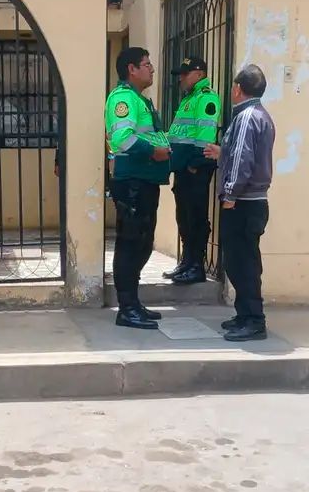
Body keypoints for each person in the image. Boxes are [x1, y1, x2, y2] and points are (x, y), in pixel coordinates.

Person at [203, 64, 275, 342]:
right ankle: (244, 315)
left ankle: (254, 320)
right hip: (252, 201)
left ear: (237, 88)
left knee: (241, 262)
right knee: (243, 261)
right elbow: (245, 155)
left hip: (243, 202)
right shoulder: (261, 115)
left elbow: (243, 162)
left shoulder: (246, 117)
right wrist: (223, 152)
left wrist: (230, 195)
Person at [105, 46, 172, 330]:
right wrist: (153, 152)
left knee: (143, 243)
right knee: (130, 243)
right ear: (131, 69)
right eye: (146, 64)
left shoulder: (139, 99)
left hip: (145, 182)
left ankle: (133, 303)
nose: (151, 69)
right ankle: (126, 308)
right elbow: (122, 138)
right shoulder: (123, 99)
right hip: (131, 183)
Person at [165, 56, 221, 285]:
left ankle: (196, 265)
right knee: (184, 216)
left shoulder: (207, 98)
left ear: (199, 74)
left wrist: (194, 165)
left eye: (184, 74)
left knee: (196, 217)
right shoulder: (190, 99)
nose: (181, 78)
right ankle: (187, 261)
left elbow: (205, 136)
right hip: (183, 168)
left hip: (195, 168)